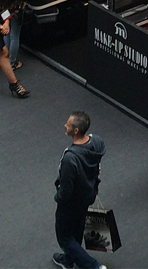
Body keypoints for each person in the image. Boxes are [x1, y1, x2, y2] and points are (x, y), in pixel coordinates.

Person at [53, 111, 105, 269]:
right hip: (88, 195)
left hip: (70, 203)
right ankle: (68, 260)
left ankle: (93, 266)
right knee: (77, 229)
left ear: (75, 130)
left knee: (64, 237)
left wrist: (58, 197)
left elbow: (66, 190)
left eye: (68, 124)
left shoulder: (70, 158)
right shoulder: (97, 142)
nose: (65, 125)